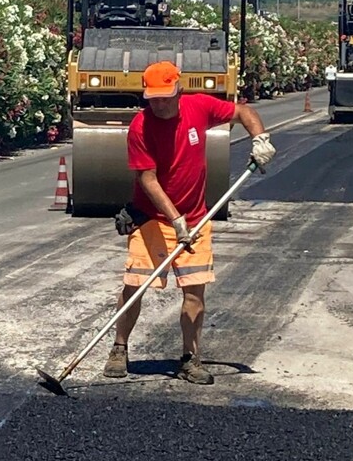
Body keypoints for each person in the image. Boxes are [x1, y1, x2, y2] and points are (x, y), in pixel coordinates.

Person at [101, 60, 276, 385]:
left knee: (194, 292)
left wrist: (260, 138)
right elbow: (148, 180)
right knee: (134, 286)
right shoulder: (140, 127)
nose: (160, 103)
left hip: (197, 219)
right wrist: (174, 218)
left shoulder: (199, 107)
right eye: (153, 98)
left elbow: (241, 112)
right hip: (151, 218)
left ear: (178, 89)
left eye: (165, 97)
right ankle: (119, 348)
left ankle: (189, 358)